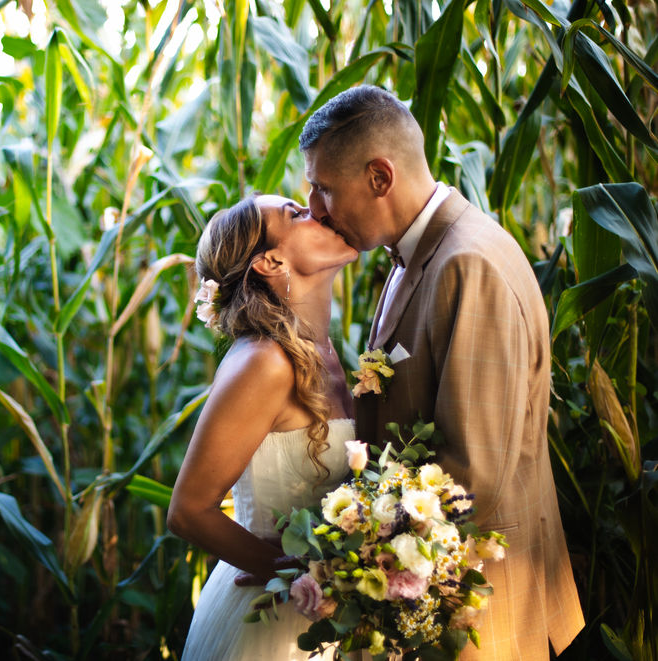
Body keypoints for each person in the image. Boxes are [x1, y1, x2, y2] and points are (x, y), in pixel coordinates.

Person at [299, 84, 584, 660]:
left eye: (324, 188)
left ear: (380, 177)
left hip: (481, 618)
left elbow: (469, 475)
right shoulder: (416, 252)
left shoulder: (467, 264)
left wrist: (340, 557)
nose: (314, 208)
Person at [167, 193, 358, 660]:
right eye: (297, 214)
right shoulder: (264, 362)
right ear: (270, 262)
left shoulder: (327, 353)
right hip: (274, 624)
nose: (319, 211)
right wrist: (299, 574)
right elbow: (188, 510)